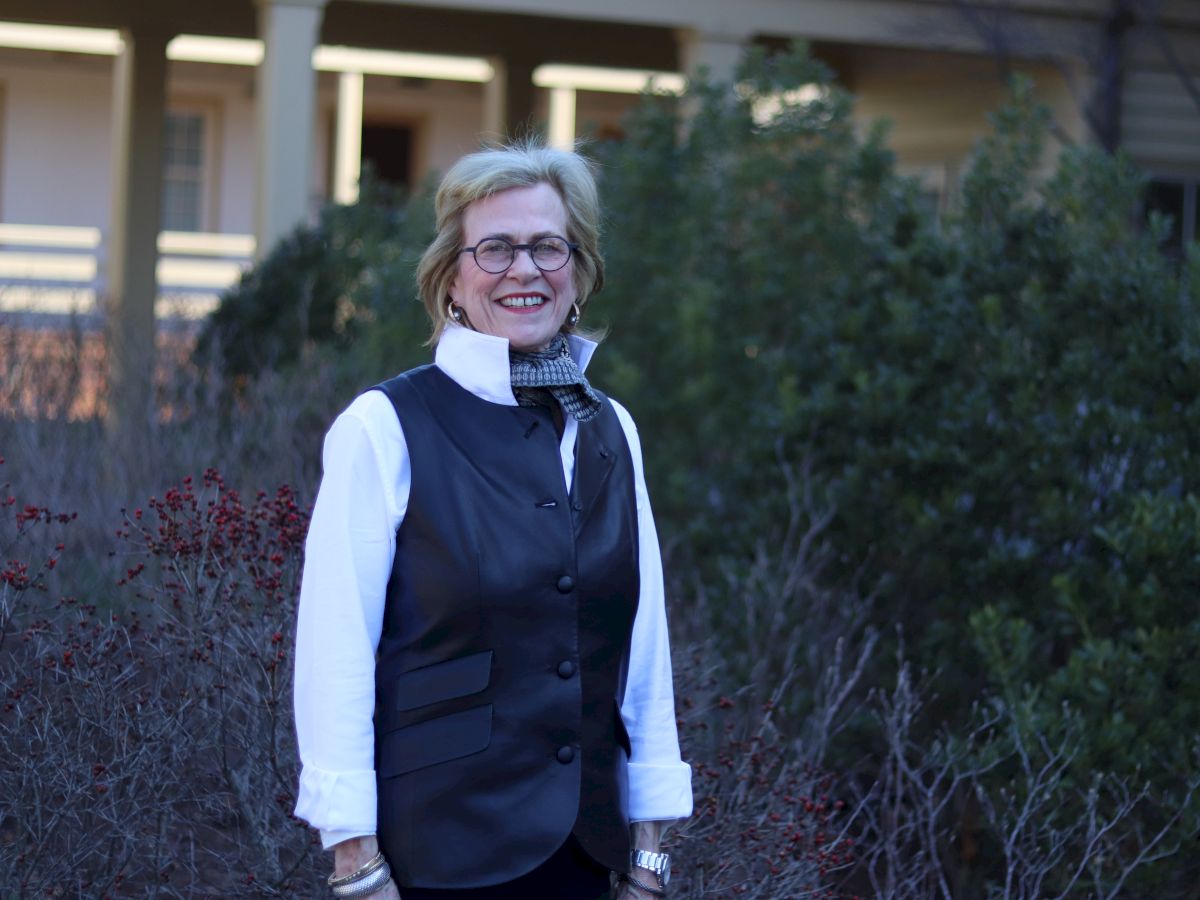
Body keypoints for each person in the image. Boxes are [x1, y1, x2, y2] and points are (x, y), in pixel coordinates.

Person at [293, 141, 693, 900]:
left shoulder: (612, 428)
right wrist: (354, 861)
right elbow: (333, 654)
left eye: (549, 246)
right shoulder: (383, 427)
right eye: (496, 248)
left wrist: (650, 849)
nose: (525, 269)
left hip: (587, 857)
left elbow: (644, 649)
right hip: (434, 861)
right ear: (451, 276)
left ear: (578, 272)